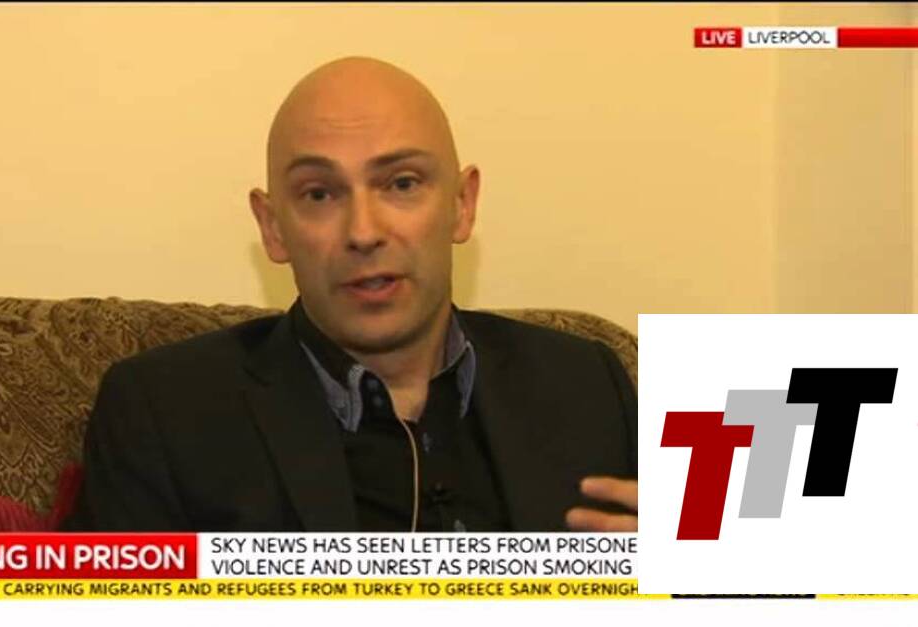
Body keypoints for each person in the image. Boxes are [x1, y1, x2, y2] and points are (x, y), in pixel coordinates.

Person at [62, 57, 637, 533]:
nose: (363, 232)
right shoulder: (162, 411)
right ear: (272, 228)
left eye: (402, 183)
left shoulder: (589, 381)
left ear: (462, 205)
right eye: (319, 194)